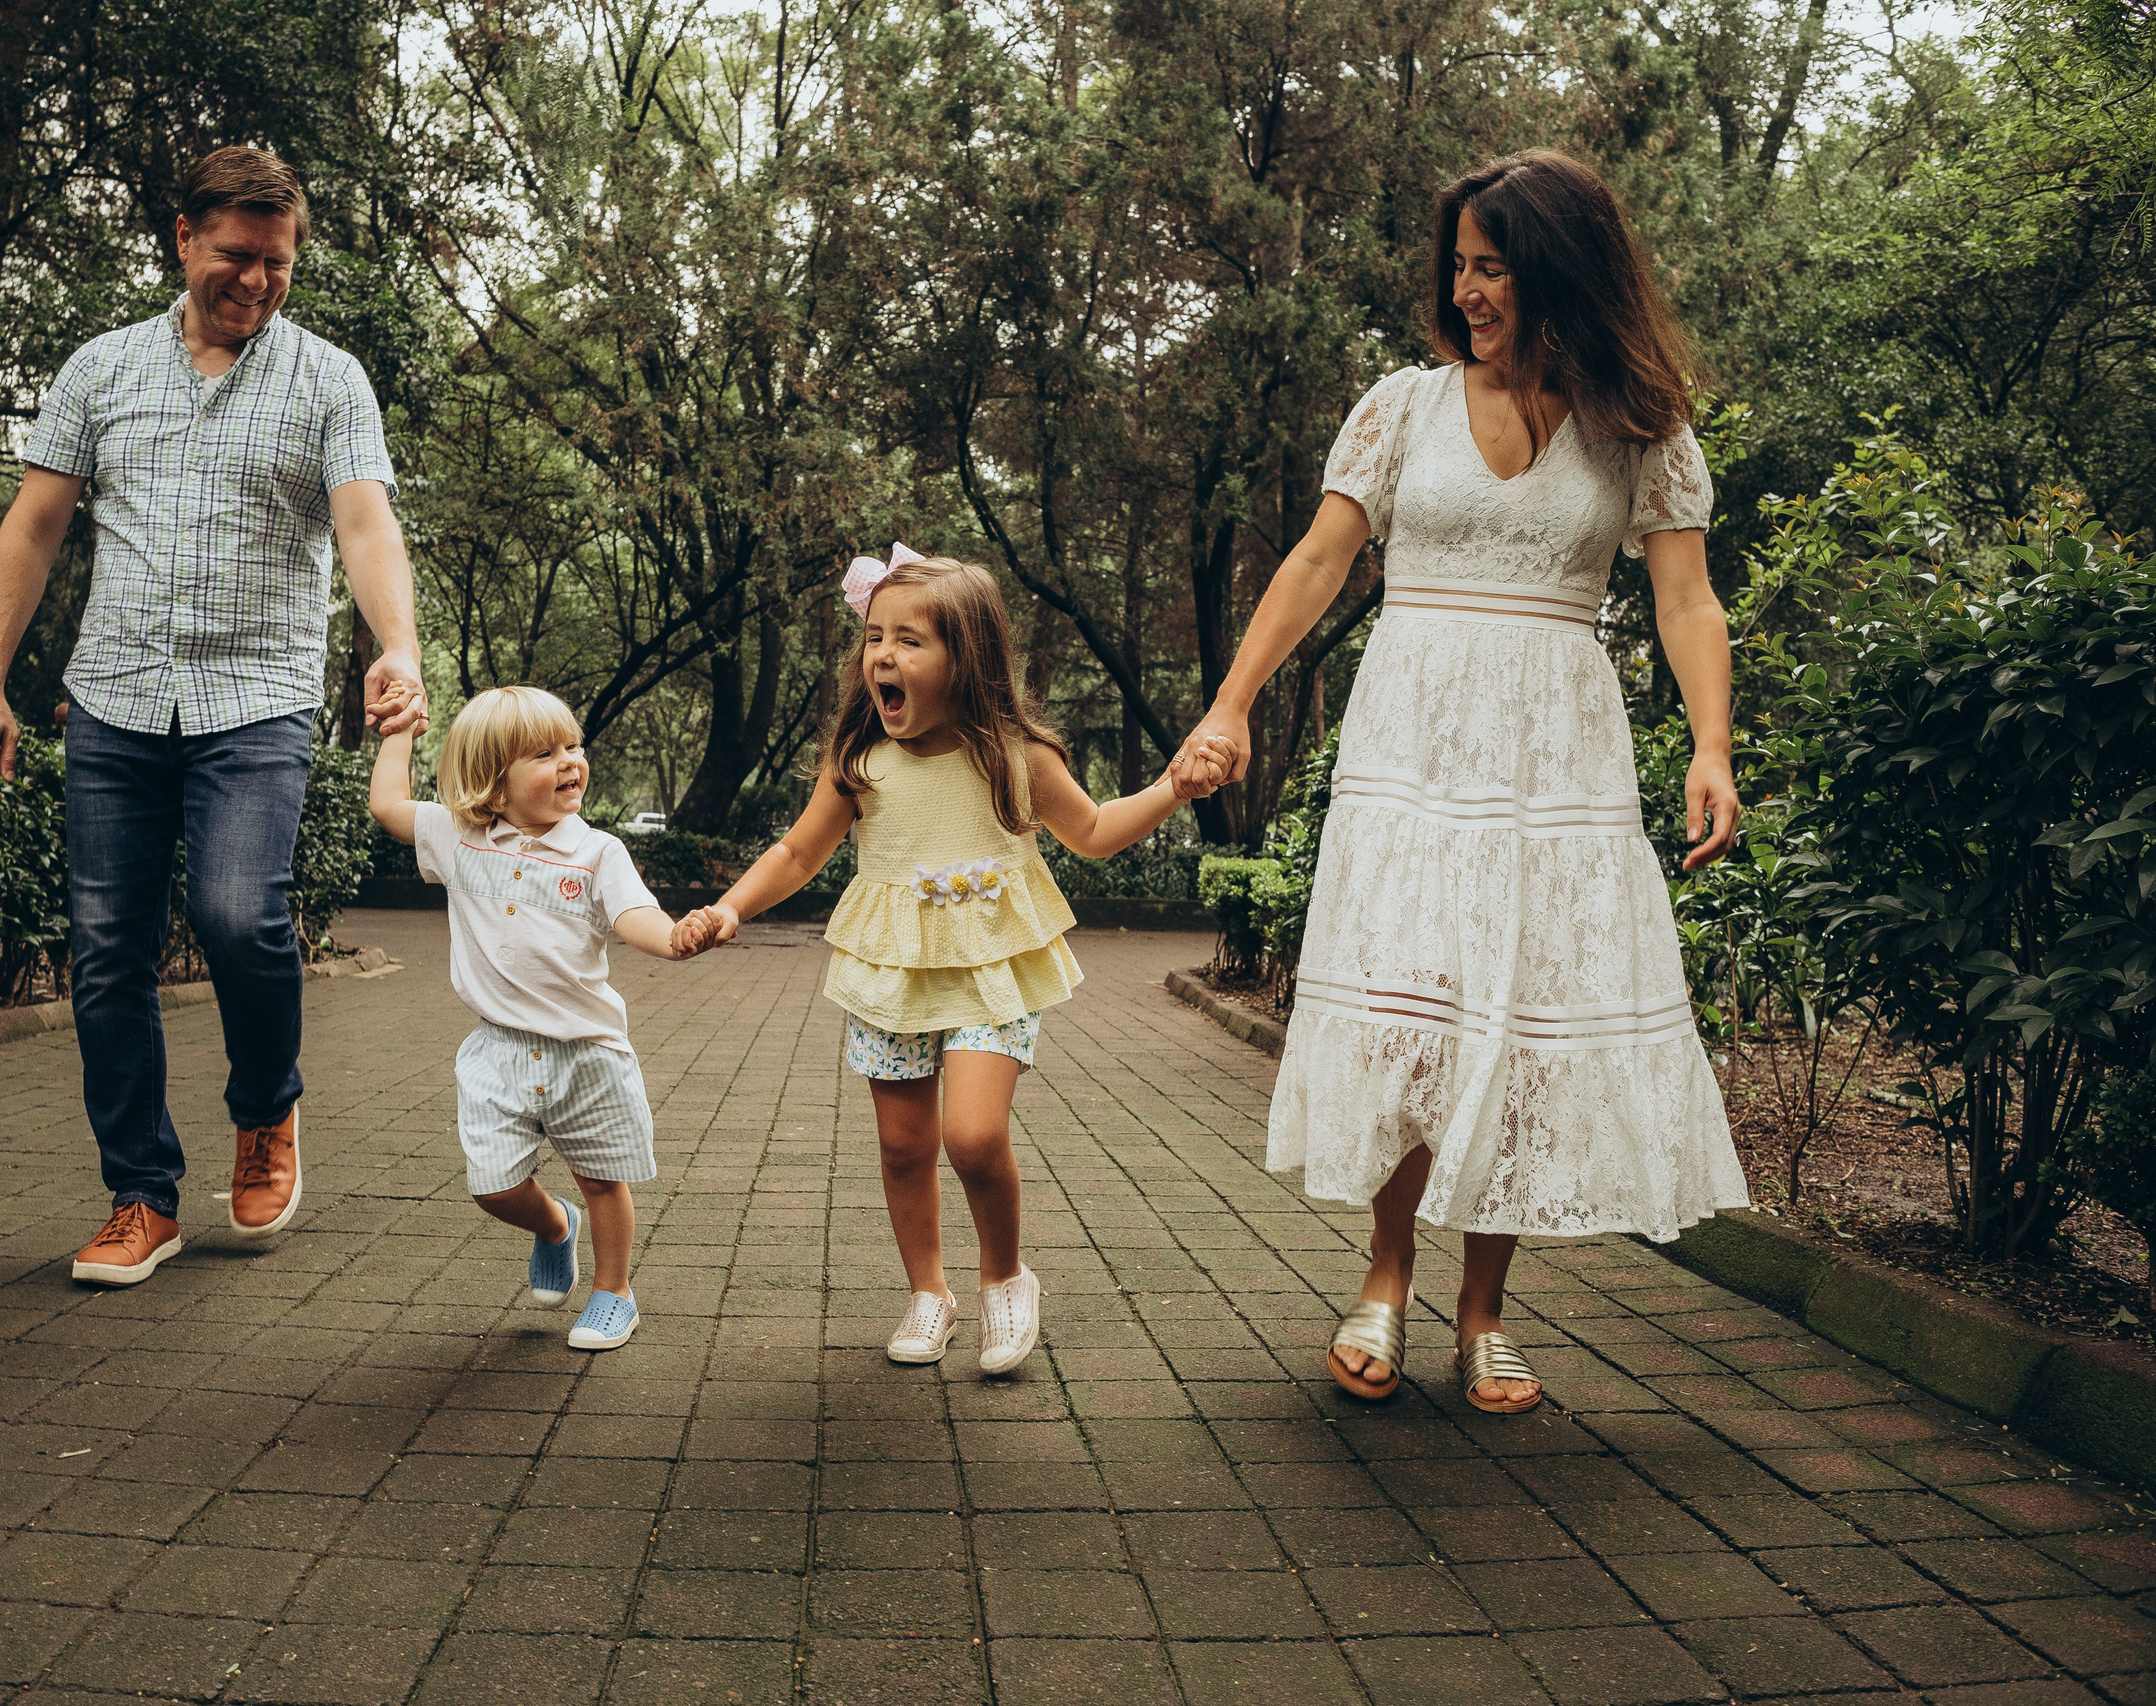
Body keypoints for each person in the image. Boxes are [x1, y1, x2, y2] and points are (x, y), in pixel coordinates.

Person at [1169, 150, 1750, 1415]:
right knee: (1418, 1005)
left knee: (1516, 1013)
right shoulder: (1400, 408)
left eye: (1493, 267)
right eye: (1461, 265)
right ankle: (1385, 1274)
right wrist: (1232, 701)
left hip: (1553, 750)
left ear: (1555, 273)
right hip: (1414, 745)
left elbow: (1685, 595)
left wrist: (1711, 744)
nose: (1467, 289)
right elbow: (1321, 560)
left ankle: (1483, 1311)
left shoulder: (1635, 426)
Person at [0, 146, 427, 1287]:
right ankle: (140, 1195)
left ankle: (265, 1110)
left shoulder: (328, 380)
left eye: (276, 262)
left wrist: (397, 644)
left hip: (256, 699)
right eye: (235, 257)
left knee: (236, 914)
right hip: (115, 698)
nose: (256, 280)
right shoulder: (101, 370)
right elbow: (32, 528)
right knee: (107, 955)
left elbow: (364, 526)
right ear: (182, 240)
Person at [676, 549, 1228, 1375]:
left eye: (909, 641)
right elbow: (797, 853)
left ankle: (1005, 1277)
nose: (883, 659)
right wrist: (729, 909)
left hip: (990, 966)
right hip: (891, 970)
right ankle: (928, 1292)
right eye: (873, 639)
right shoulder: (860, 759)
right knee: (903, 1147)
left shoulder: (1015, 756)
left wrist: (1174, 789)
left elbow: (1097, 833)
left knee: (971, 1135)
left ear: (965, 658)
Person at [369, 685, 691, 1349]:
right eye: (544, 753)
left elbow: (635, 916)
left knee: (604, 1178)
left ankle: (613, 1292)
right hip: (497, 1051)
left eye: (573, 745)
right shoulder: (460, 839)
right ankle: (553, 1226)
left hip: (587, 1050)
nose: (570, 761)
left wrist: (676, 937)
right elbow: (387, 805)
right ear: (493, 779)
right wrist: (400, 731)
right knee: (493, 1187)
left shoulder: (597, 852)